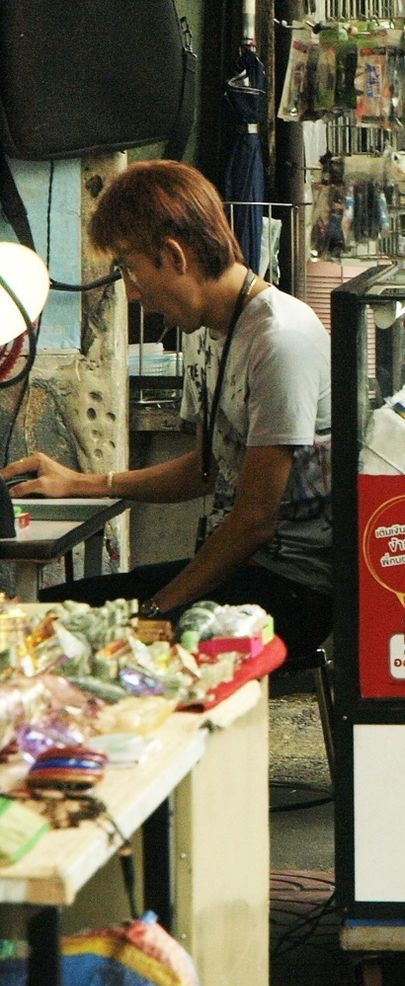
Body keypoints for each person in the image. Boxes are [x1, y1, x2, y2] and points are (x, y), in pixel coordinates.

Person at [0, 160, 333, 654]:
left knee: (72, 645)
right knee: (41, 616)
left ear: (174, 256)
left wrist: (153, 612)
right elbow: (204, 470)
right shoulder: (208, 330)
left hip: (293, 593)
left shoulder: (280, 338)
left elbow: (254, 519)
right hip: (238, 574)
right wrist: (81, 483)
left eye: (132, 272)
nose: (132, 295)